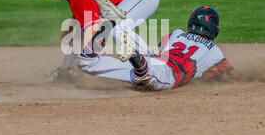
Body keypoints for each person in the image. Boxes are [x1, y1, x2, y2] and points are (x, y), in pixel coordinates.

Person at [34, 0, 161, 81]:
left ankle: (154, 62)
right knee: (78, 30)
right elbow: (84, 9)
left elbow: (93, 28)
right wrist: (71, 29)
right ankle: (66, 70)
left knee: (116, 27)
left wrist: (84, 56)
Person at [77, 5, 242, 91]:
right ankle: (135, 57)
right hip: (166, 72)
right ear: (214, 28)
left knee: (86, 63)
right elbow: (232, 75)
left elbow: (157, 51)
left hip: (155, 61)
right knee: (146, 78)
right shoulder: (214, 51)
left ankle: (109, 24)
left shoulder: (177, 34)